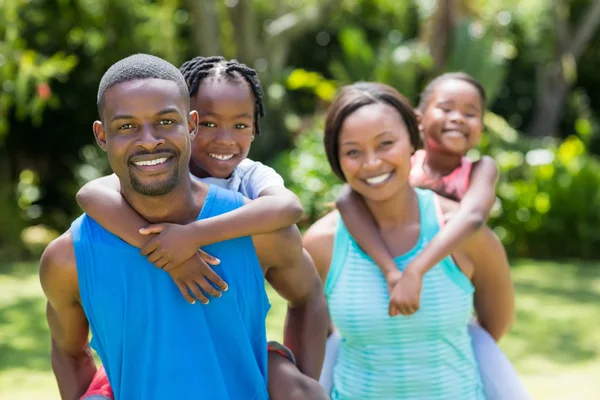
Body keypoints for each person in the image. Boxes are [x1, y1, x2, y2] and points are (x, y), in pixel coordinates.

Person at [40, 54, 328, 400]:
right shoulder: (67, 259)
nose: (148, 141)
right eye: (126, 126)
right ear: (102, 136)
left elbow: (309, 297)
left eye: (165, 121)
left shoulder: (258, 230)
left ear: (190, 125)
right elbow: (68, 352)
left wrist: (298, 384)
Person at [304, 82, 515, 399]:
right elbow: (314, 340)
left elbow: (491, 330)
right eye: (353, 151)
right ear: (337, 158)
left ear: (413, 141)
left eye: (386, 144)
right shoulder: (321, 243)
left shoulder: (467, 237)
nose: (372, 162)